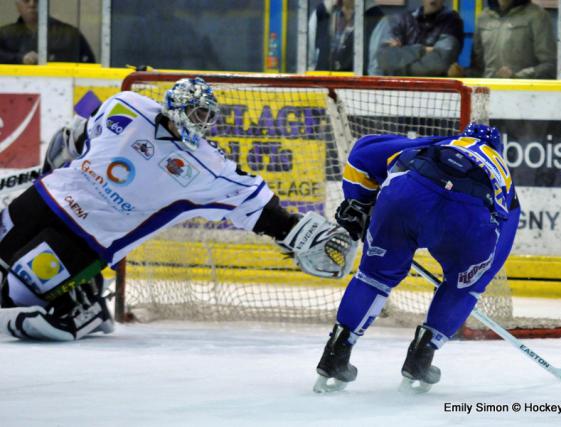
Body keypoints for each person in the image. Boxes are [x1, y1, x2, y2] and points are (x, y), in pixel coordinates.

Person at [0, 77, 357, 341]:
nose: (199, 121)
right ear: (175, 104)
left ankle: (87, 311)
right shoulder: (128, 104)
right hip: (47, 198)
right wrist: (54, 167)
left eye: (206, 115)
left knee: (11, 292)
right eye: (195, 111)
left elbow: (254, 203)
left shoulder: (207, 167)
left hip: (90, 238)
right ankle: (80, 293)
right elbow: (77, 137)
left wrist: (295, 231)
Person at [312, 123, 520, 393]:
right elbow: (498, 251)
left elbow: (363, 153)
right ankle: (421, 359)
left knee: (374, 278)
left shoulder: (441, 142)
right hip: (470, 215)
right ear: (499, 151)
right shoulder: (505, 180)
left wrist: (359, 204)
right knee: (461, 289)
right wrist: (470, 284)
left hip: (409, 192)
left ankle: (335, 355)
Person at [448, 0, 556, 79]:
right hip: (488, 95)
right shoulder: (484, 17)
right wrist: (462, 74)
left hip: (525, 95)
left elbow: (551, 65)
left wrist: (517, 77)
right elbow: (478, 69)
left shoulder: (537, 15)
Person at [373, 0, 463, 77]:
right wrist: (422, 50)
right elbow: (385, 60)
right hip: (398, 90)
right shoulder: (400, 20)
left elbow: (439, 64)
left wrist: (398, 61)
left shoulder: (452, 22)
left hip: (435, 91)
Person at [0, 0, 95, 65]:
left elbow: (89, 64)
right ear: (17, 6)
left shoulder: (70, 34)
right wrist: (20, 59)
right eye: (26, 0)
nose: (32, 4)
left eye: (38, 0)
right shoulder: (4, 34)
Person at [307, 0, 384, 73]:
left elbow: (375, 70)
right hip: (320, 85)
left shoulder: (376, 18)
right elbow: (309, 64)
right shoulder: (320, 13)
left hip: (357, 86)